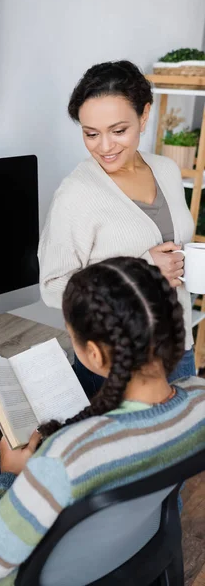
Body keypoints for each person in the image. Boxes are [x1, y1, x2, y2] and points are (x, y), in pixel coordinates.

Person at [0, 257, 205, 586]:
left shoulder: (63, 460)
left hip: (41, 571)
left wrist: (9, 478)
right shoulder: (198, 402)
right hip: (126, 552)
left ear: (95, 353)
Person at [38, 60, 196, 399]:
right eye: (91, 134)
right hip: (115, 362)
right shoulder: (76, 194)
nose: (105, 147)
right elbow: (53, 287)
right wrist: (143, 269)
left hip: (178, 346)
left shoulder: (166, 170)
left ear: (144, 115)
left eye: (118, 130)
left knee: (182, 448)